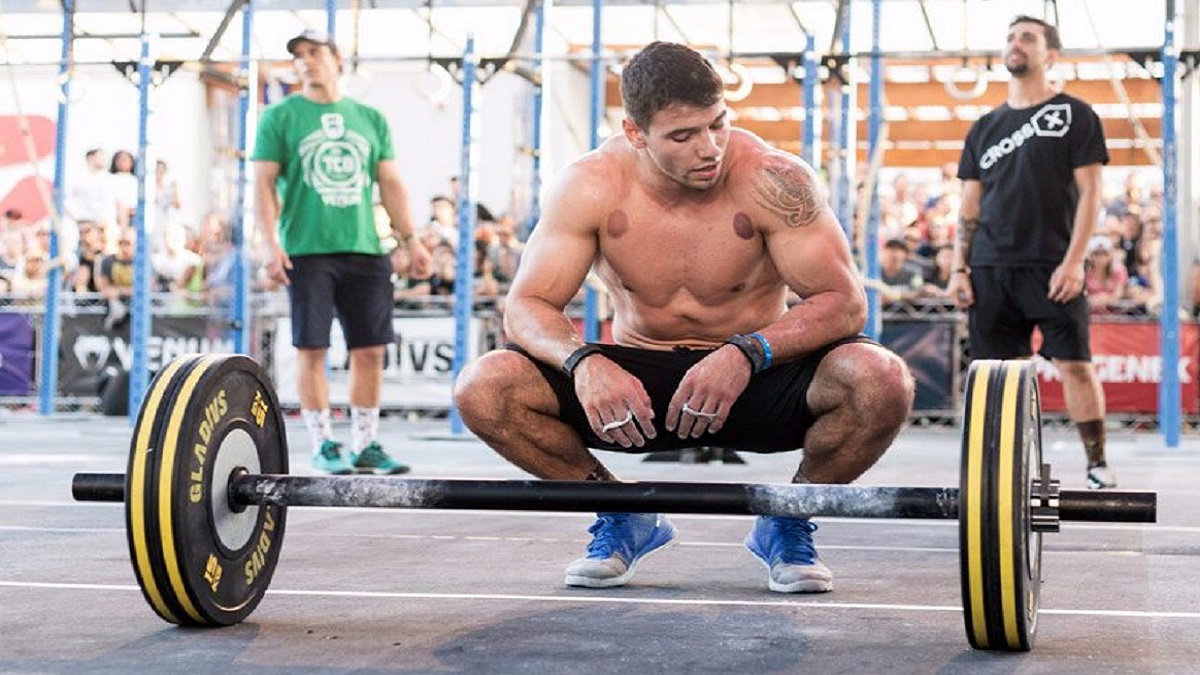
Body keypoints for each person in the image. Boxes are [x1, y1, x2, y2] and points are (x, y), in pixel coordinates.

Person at [452, 41, 914, 594]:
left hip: (756, 380)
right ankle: (620, 513)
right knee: (484, 388)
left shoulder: (773, 179)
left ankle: (788, 519)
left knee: (881, 379)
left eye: (717, 125)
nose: (710, 148)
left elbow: (843, 301)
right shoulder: (590, 185)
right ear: (634, 133)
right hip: (638, 391)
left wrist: (748, 351)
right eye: (683, 135)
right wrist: (583, 362)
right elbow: (526, 306)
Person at [948, 15, 1116, 490]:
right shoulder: (984, 126)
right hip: (990, 266)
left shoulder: (1076, 115)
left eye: (1027, 37)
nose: (1015, 44)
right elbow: (970, 203)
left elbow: (1090, 194)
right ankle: (1005, 473)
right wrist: (960, 267)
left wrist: (1074, 261)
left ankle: (1097, 463)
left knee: (1076, 366)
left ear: (1051, 54)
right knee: (1001, 379)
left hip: (1053, 266)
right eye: (1010, 37)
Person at [253, 29, 431, 476]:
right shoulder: (280, 117)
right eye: (297, 56)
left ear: (337, 59)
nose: (305, 61)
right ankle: (323, 443)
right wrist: (269, 244)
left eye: (314, 53)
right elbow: (262, 184)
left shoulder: (369, 117)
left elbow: (390, 183)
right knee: (311, 348)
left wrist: (411, 239)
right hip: (307, 250)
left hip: (365, 249)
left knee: (369, 350)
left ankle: (366, 444)